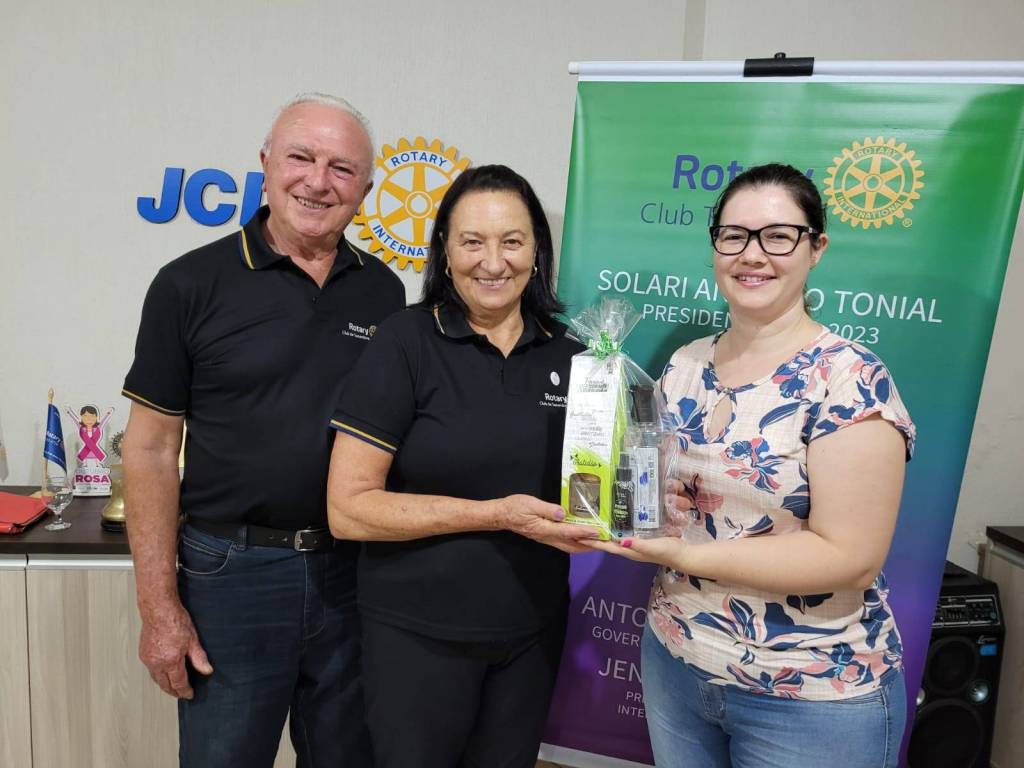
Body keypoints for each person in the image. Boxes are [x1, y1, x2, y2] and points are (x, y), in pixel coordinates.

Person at [589, 163, 915, 768]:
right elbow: (675, 486)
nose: (752, 254)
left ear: (816, 248)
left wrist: (684, 554)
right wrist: (659, 503)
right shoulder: (685, 364)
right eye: (734, 235)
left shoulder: (848, 379)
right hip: (678, 659)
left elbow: (850, 556)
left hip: (810, 693)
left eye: (778, 236)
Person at [121, 93, 405, 768]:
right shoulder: (188, 284)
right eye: (301, 157)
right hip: (230, 575)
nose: (318, 181)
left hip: (351, 574)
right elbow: (151, 449)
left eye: (342, 168)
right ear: (266, 164)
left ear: (365, 191)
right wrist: (159, 608)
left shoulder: (384, 292)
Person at [326, 164, 595, 768]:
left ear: (537, 251)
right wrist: (496, 515)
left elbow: (589, 490)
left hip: (530, 635)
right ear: (445, 253)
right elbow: (349, 510)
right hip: (417, 636)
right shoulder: (405, 342)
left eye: (512, 241)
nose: (493, 262)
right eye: (473, 241)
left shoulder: (573, 356)